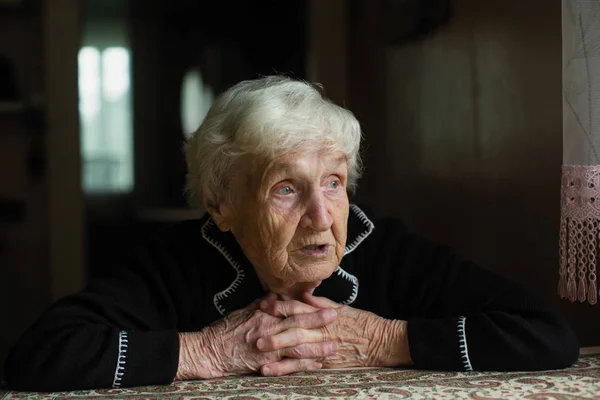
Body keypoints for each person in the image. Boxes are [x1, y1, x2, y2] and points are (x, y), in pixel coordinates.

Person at [4, 75, 579, 391]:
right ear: (220, 204)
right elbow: (39, 356)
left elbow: (546, 337)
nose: (321, 216)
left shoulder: (380, 246)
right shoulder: (175, 260)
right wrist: (205, 351)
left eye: (332, 182)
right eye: (286, 188)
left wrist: (384, 342)